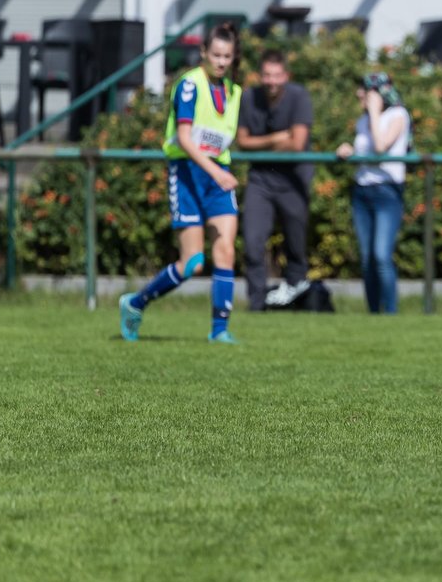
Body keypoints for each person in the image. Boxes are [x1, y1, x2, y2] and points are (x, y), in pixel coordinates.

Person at [119, 23, 242, 344]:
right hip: (188, 173)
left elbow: (224, 138)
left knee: (225, 251)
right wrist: (215, 172)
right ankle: (136, 303)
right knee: (193, 264)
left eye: (227, 56)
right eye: (216, 54)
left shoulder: (234, 91)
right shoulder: (190, 85)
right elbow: (185, 140)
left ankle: (219, 331)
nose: (221, 61)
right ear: (203, 52)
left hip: (218, 176)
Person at [236, 49, 314, 311]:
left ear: (286, 76)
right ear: (260, 76)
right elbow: (243, 141)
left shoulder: (299, 96)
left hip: (294, 178)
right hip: (260, 179)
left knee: (296, 245)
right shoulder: (249, 98)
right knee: (252, 242)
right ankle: (256, 305)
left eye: (277, 75)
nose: (271, 81)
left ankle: (297, 300)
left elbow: (298, 144)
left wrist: (262, 144)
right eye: (267, 75)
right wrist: (277, 138)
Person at [335, 73, 411, 314]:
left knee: (381, 255)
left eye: (365, 91)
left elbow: (380, 148)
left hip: (387, 192)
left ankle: (390, 313)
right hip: (362, 191)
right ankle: (373, 313)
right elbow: (364, 153)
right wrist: (348, 150)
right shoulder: (362, 121)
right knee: (367, 258)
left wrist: (376, 112)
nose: (360, 95)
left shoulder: (398, 115)